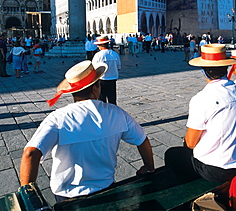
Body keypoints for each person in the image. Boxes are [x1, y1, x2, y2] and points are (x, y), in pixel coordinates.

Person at [20, 60, 154, 202]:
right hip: (106, 188)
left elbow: (30, 153)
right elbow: (142, 140)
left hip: (67, 194)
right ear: (96, 88)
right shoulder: (117, 113)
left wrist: (29, 198)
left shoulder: (58, 118)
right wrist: (149, 168)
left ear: (73, 91)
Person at [165, 44, 236, 183]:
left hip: (216, 170)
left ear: (204, 71)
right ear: (226, 68)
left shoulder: (203, 98)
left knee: (172, 155)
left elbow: (190, 142)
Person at [92, 36, 121, 105]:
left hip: (102, 80)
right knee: (112, 100)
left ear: (101, 45)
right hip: (112, 80)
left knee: (102, 101)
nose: (98, 46)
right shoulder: (115, 54)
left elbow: (94, 68)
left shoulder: (98, 55)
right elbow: (118, 68)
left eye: (98, 45)